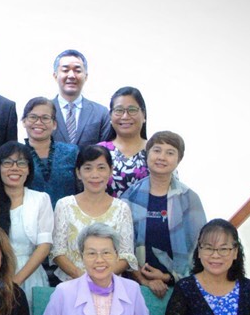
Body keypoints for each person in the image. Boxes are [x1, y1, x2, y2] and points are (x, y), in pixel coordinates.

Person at [0, 142, 54, 304]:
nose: (15, 168)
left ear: (29, 169)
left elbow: (44, 246)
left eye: (21, 163)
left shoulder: (40, 199)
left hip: (28, 275)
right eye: (7, 162)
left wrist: (15, 282)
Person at [123, 131, 207, 298]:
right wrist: (144, 279)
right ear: (147, 155)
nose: (162, 157)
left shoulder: (189, 198)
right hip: (137, 285)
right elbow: (122, 247)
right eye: (157, 150)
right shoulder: (129, 196)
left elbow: (199, 247)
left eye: (170, 153)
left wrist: (169, 277)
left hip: (182, 288)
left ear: (179, 160)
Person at [51, 145, 137, 281]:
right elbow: (58, 252)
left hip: (110, 285)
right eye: (88, 168)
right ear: (78, 173)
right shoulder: (64, 205)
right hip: (72, 284)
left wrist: (101, 278)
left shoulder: (122, 208)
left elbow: (126, 255)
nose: (95, 174)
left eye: (101, 168)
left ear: (110, 171)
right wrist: (83, 278)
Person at [21, 97, 80, 208]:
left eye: (45, 118)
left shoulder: (72, 152)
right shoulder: (17, 155)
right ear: (24, 122)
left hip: (68, 218)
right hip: (30, 219)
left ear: (54, 124)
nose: (39, 122)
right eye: (33, 117)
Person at [51, 49, 109, 147]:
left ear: (86, 76)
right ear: (55, 76)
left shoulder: (100, 113)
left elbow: (105, 151)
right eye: (65, 70)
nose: (71, 75)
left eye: (77, 71)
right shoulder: (43, 112)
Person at [98, 86, 149, 197]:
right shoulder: (98, 152)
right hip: (105, 214)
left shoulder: (155, 151)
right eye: (119, 110)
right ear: (110, 116)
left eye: (132, 110)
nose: (125, 116)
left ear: (143, 115)